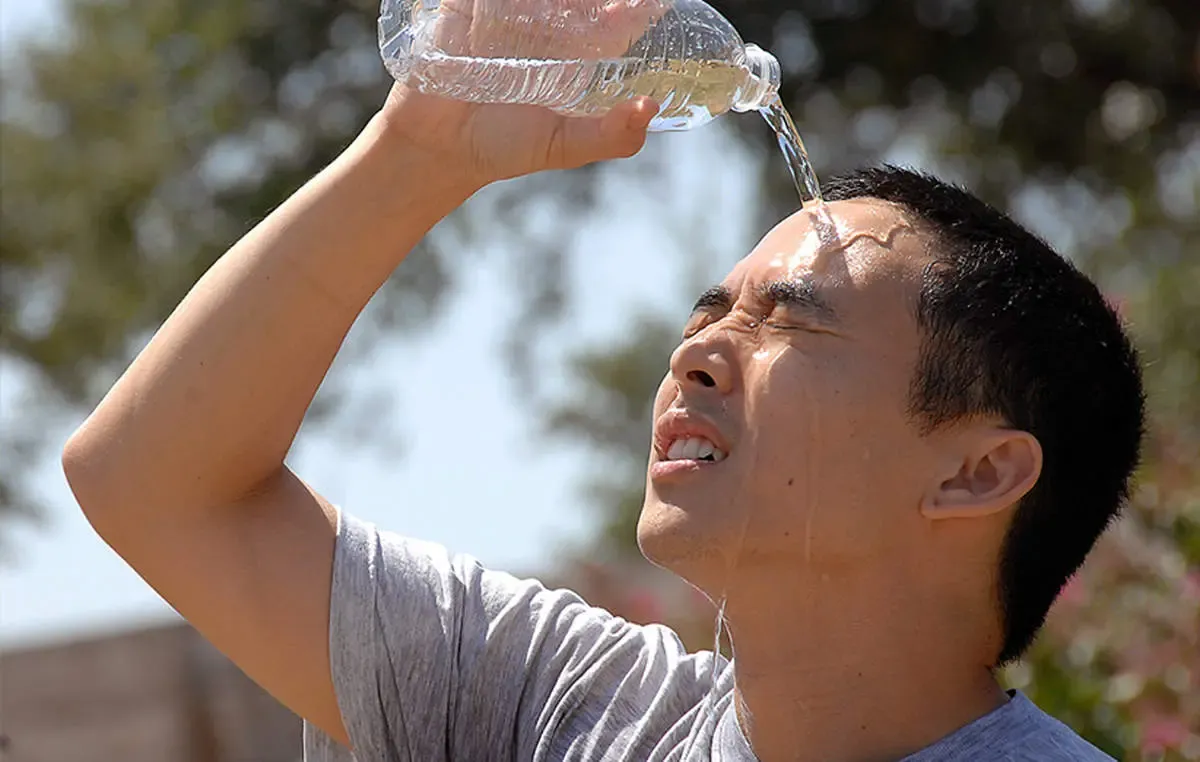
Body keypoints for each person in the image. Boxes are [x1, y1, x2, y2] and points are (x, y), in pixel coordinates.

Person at [63, 66, 1144, 760]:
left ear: (977, 473)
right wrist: (417, 152)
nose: (698, 353)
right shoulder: (556, 708)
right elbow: (155, 484)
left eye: (793, 323)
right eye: (708, 312)